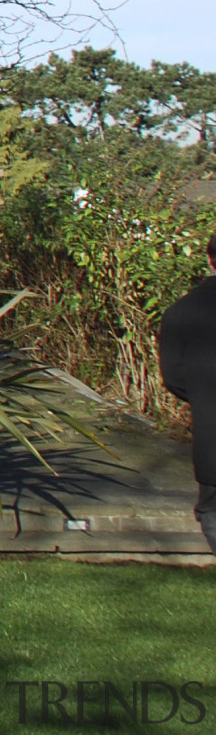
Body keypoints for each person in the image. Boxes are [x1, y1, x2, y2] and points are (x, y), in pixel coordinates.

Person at [159, 231, 216, 554]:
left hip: (211, 433)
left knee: (211, 510)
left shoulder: (180, 312)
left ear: (209, 259)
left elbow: (173, 377)